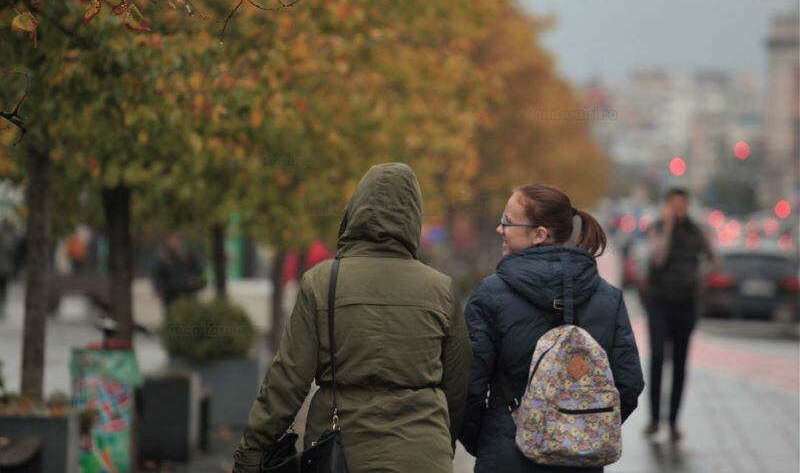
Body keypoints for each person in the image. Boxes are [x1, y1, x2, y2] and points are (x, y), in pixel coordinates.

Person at [233, 163, 472, 473]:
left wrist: (250, 456)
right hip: (424, 455)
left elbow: (287, 381)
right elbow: (457, 384)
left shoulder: (322, 283)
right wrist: (441, 443)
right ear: (414, 217)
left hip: (341, 455)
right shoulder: (441, 289)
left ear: (354, 211)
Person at [460, 184, 644, 472]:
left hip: (506, 458)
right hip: (579, 463)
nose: (500, 228)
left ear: (540, 234)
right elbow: (629, 383)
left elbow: (467, 388)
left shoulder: (488, 295)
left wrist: (489, 440)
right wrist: (580, 430)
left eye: (507, 221)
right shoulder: (608, 299)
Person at [642, 187, 717, 442]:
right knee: (658, 358)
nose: (677, 208)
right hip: (659, 301)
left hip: (686, 304)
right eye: (672, 204)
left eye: (681, 204)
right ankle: (654, 419)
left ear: (688, 205)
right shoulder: (658, 228)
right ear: (665, 206)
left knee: (680, 363)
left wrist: (699, 277)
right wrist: (669, 227)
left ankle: (673, 421)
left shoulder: (696, 231)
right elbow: (657, 258)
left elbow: (714, 258)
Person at [152, 232, 204, 310]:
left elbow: (197, 268)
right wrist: (158, 289)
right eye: (171, 240)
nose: (173, 243)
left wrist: (195, 279)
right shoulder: (162, 256)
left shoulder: (187, 254)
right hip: (170, 292)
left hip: (187, 290)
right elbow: (158, 275)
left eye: (175, 240)